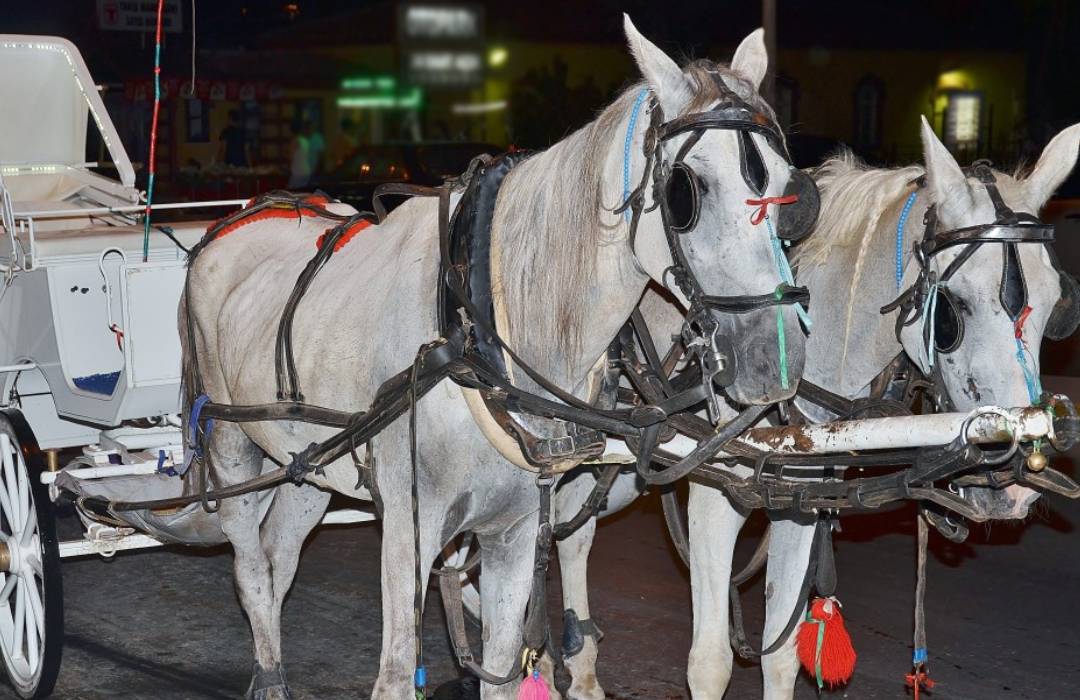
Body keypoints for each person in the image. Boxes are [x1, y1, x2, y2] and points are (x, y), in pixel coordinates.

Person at [288, 119, 311, 189]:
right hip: (306, 170)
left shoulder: (295, 141)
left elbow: (290, 156)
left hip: (298, 171)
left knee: (291, 192)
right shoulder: (305, 140)